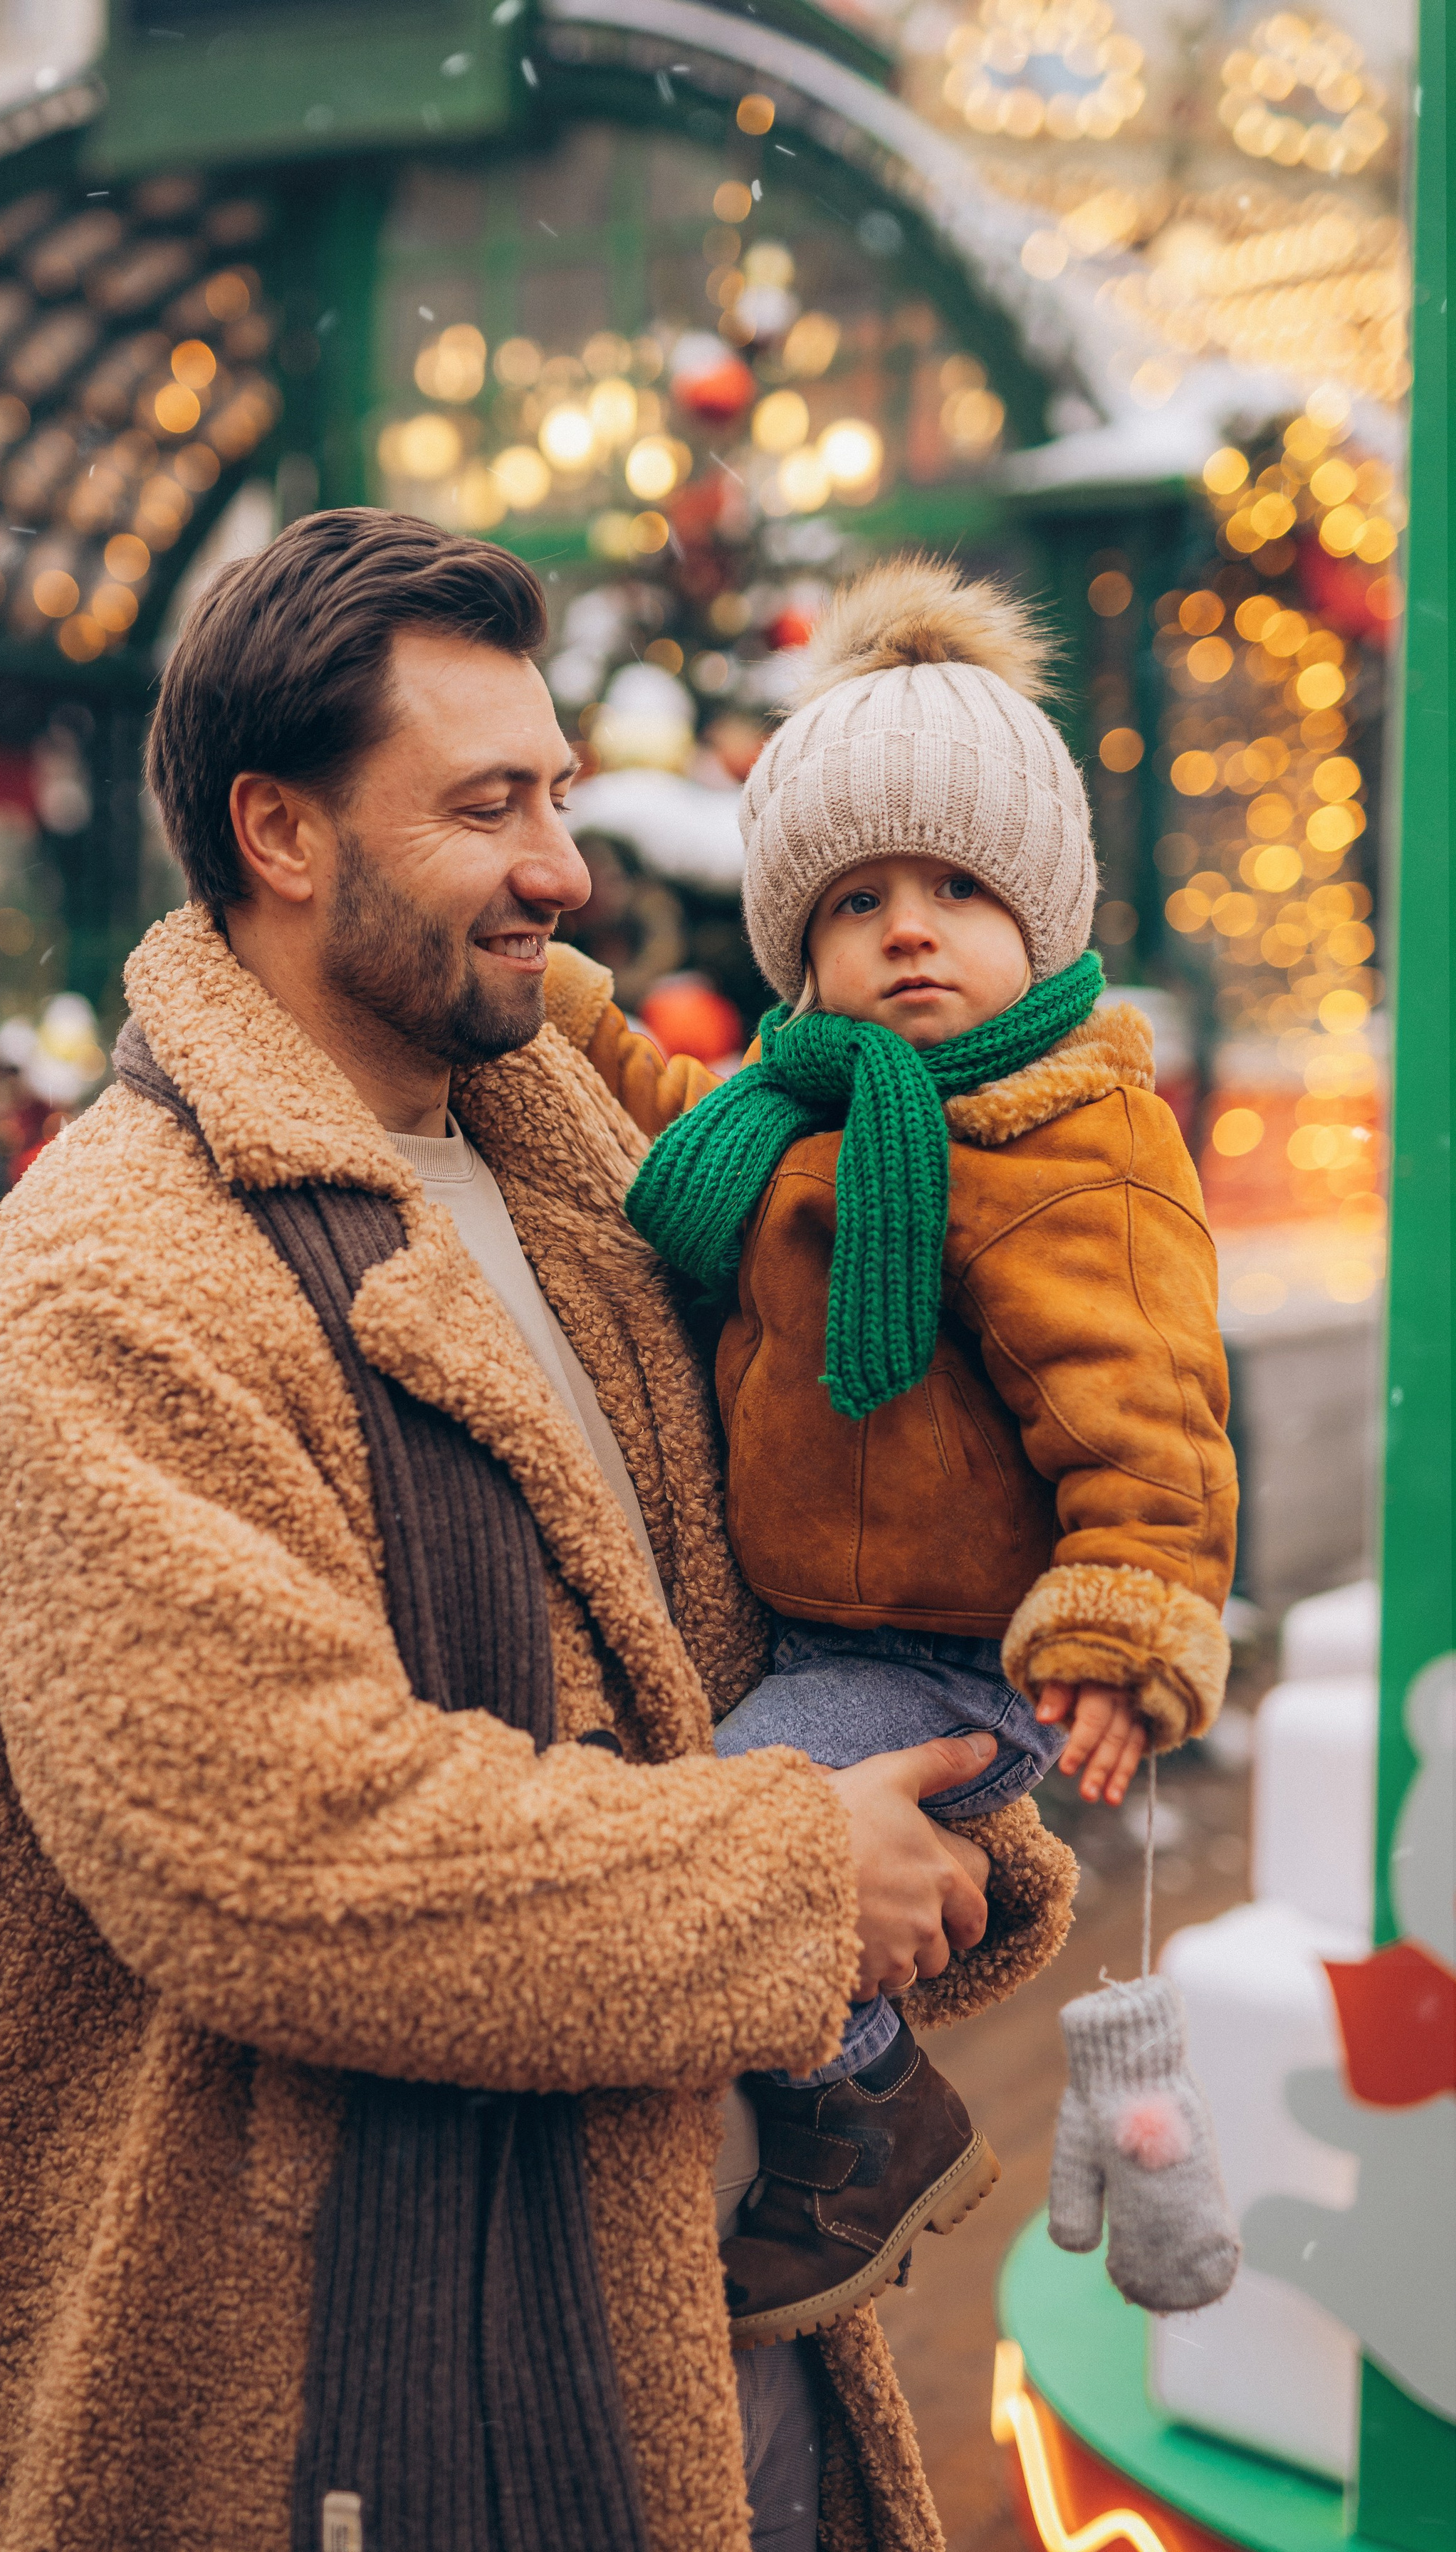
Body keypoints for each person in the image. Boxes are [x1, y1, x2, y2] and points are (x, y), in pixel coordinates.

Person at [0, 513, 1076, 2552]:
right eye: (489, 805)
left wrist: (947, 1797)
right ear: (278, 832)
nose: (564, 869)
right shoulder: (119, 1272)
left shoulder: (587, 1178)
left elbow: (749, 1597)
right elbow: (272, 1847)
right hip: (351, 2399)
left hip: (711, 2317)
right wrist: (806, 1882)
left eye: (561, 794)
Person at [626, 555, 1237, 2353]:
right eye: (859, 897)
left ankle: (866, 2106)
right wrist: (572, 1029)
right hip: (827, 1627)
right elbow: (652, 1116)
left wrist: (1123, 1630)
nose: (908, 930)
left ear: (1036, 925)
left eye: (958, 890)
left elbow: (1147, 1408)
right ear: (794, 944)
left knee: (735, 1840)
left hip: (950, 1654)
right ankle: (844, 2089)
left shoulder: (1069, 1150)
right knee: (733, 1801)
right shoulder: (784, 1115)